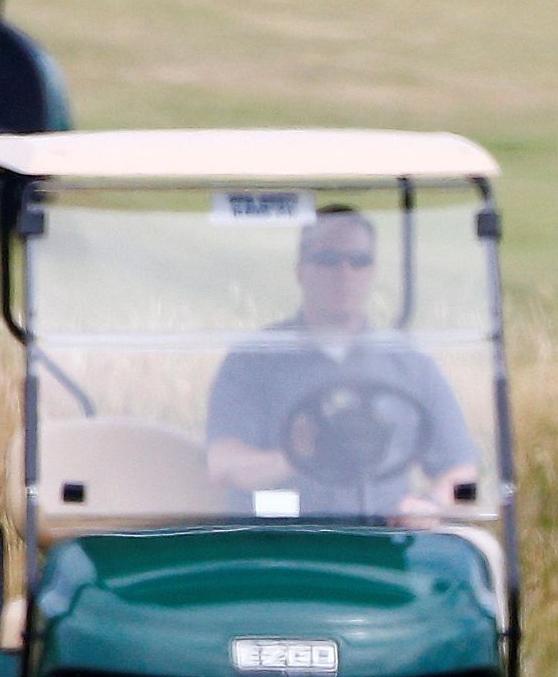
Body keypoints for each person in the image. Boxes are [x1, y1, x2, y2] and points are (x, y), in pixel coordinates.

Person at [204, 206, 479, 519]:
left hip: (385, 541)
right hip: (282, 542)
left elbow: (465, 480)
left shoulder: (410, 363)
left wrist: (433, 505)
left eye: (359, 261)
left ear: (372, 271)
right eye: (329, 261)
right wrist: (297, 455)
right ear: (301, 270)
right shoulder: (255, 359)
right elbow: (223, 466)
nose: (344, 274)